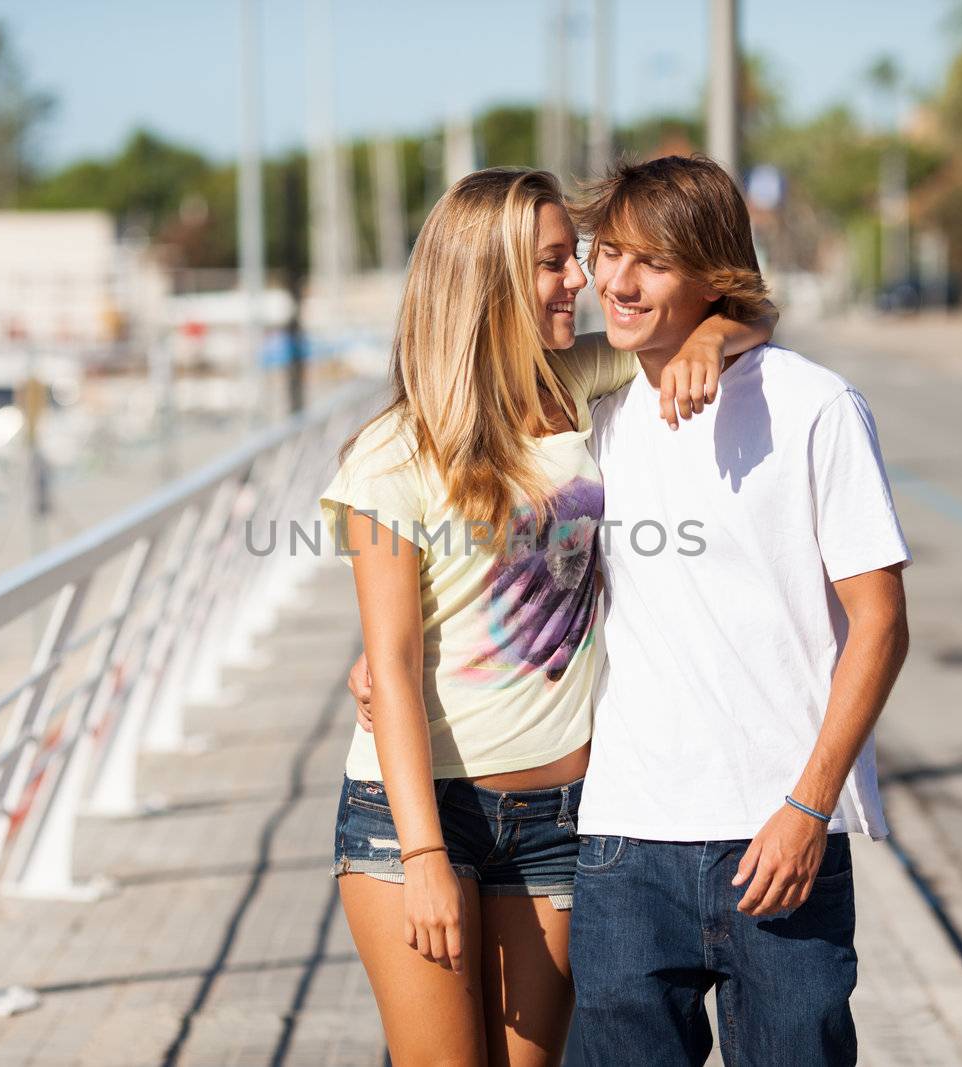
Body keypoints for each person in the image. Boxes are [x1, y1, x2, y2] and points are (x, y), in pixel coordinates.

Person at [318, 166, 773, 1067]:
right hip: (414, 816)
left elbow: (754, 310)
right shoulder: (390, 457)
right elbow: (395, 667)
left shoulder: (575, 382)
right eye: (555, 263)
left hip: (564, 818)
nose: (584, 281)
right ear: (485, 284)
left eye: (576, 258)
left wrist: (713, 337)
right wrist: (423, 858)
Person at [564, 155, 911, 1066]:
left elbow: (880, 622)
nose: (619, 282)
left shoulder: (817, 407)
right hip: (624, 846)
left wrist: (810, 804)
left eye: (652, 261)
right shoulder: (597, 414)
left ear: (714, 273)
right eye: (609, 254)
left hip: (780, 838)